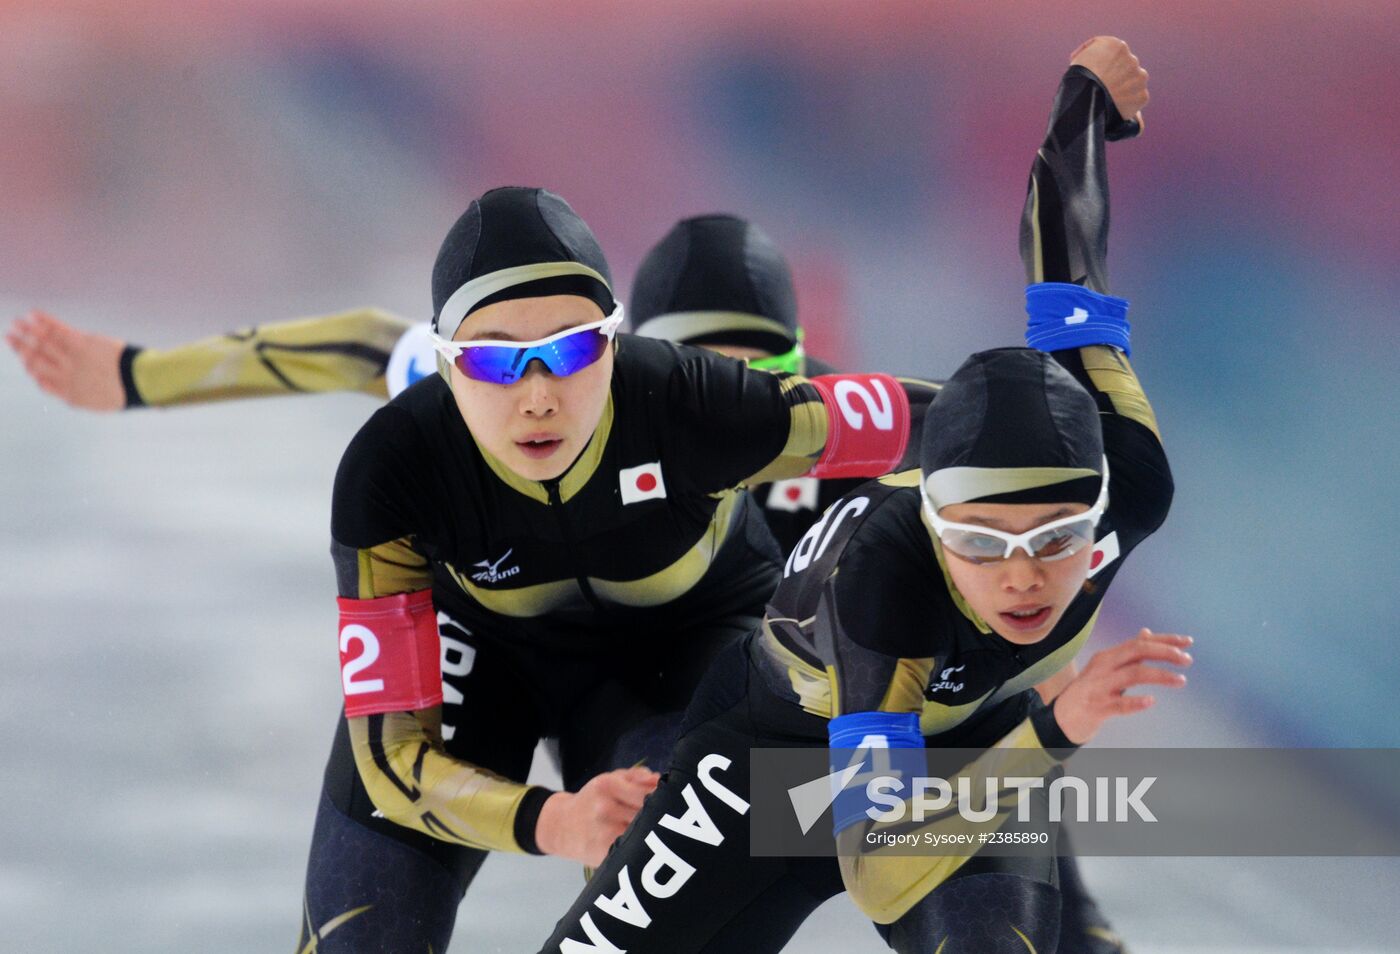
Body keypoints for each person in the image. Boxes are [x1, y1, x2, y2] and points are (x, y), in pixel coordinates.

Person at [536, 39, 1174, 954]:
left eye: (1059, 534)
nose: (1025, 576)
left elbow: (1070, 268)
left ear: (1102, 508)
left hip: (958, 744)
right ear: (929, 515)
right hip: (768, 758)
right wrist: (1056, 728)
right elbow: (876, 870)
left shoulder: (1134, 476)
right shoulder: (888, 579)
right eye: (981, 543)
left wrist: (1081, 108)